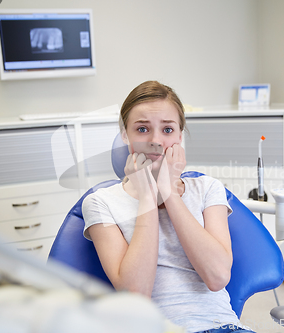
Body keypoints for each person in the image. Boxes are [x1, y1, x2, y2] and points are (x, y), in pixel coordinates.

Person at [82, 81, 256, 333]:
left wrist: (169, 193)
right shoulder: (100, 202)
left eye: (167, 129)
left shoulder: (207, 188)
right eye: (142, 129)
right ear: (124, 135)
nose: (155, 141)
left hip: (224, 327)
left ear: (179, 136)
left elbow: (217, 277)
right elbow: (136, 295)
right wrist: (147, 198)